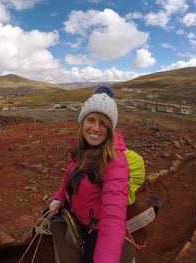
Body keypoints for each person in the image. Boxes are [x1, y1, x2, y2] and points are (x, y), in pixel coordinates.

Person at [49, 86, 130, 263]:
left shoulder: (115, 162)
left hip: (96, 228)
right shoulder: (81, 148)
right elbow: (69, 177)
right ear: (82, 122)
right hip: (74, 215)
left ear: (110, 129)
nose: (95, 128)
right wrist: (59, 197)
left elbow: (113, 217)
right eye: (91, 120)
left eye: (103, 123)